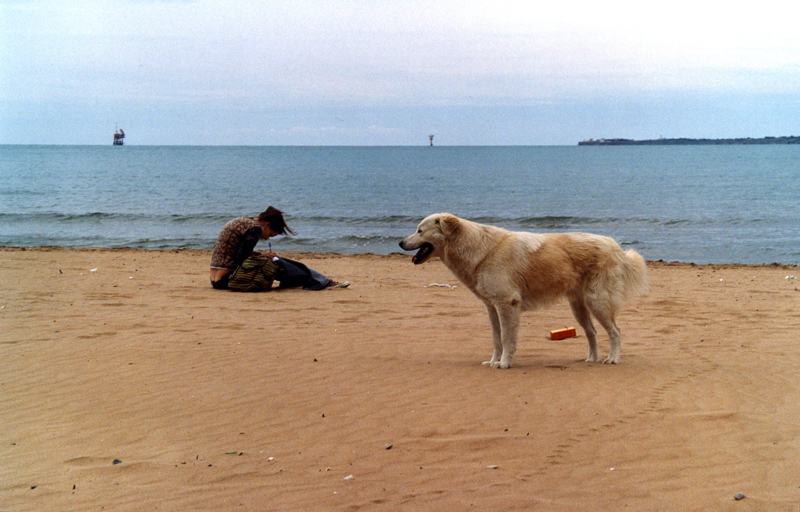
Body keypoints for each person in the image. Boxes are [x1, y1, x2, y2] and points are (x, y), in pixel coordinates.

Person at [210, 206, 349, 291]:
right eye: (270, 235)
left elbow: (238, 253)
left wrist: (261, 254)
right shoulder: (254, 229)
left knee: (275, 260)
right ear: (267, 224)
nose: (266, 238)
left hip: (215, 279)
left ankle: (314, 280)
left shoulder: (244, 221)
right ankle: (322, 281)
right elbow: (241, 258)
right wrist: (265, 256)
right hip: (227, 279)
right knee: (277, 261)